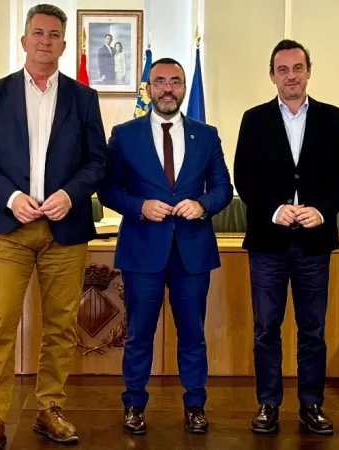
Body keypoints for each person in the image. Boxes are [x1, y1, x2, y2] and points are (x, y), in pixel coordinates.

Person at [0, 4, 109, 449]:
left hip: (65, 229)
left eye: (53, 34)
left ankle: (49, 408)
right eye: (38, 33)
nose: (45, 40)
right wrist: (11, 197)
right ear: (24, 40)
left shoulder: (83, 98)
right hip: (10, 228)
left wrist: (71, 194)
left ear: (63, 45)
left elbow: (98, 161)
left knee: (61, 325)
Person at [99, 57, 232, 435]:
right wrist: (139, 206)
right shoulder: (125, 134)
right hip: (142, 250)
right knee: (139, 333)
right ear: (149, 88)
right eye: (160, 82)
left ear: (184, 88)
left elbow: (223, 188)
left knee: (192, 334)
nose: (168, 89)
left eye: (175, 81)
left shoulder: (206, 135)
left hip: (192, 251)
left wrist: (202, 205)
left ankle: (195, 405)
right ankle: (134, 405)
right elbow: (108, 189)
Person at [233, 39, 339, 435]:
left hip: (315, 242)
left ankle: (311, 404)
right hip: (268, 242)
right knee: (266, 328)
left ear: (308, 72)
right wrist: (273, 209)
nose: (291, 76)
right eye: (282, 69)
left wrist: (321, 210)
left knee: (312, 330)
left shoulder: (333, 118)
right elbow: (244, 176)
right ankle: (268, 404)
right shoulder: (254, 119)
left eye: (298, 68)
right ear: (272, 76)